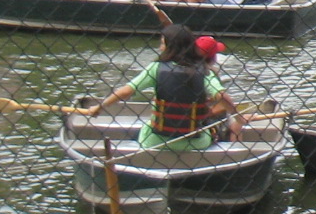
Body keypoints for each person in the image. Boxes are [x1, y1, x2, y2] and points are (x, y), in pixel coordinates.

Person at [88, 26, 238, 150]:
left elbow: (126, 91)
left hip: (155, 142)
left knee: (140, 131)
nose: (160, 47)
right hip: (194, 144)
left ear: (169, 46)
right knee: (217, 127)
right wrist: (238, 115)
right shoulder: (205, 71)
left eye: (162, 43)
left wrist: (99, 107)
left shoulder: (156, 68)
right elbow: (221, 96)